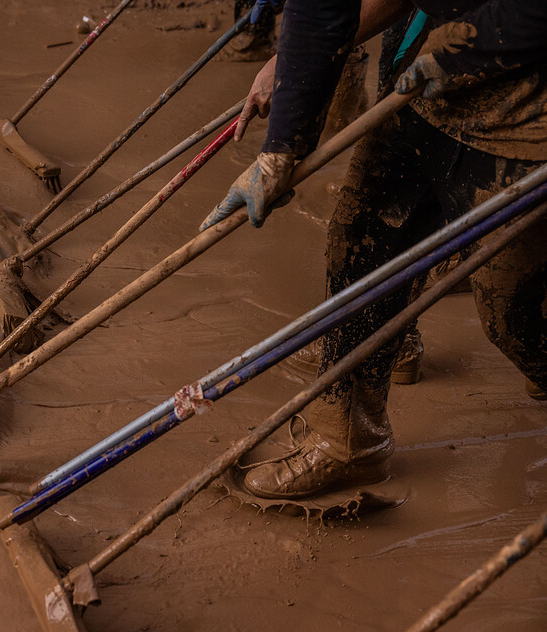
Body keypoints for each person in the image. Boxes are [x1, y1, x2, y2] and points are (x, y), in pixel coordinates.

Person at [203, 0, 547, 500]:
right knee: (361, 244)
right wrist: (281, 146)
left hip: (524, 113)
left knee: (513, 314)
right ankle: (347, 439)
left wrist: (469, 48)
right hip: (422, 80)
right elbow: (322, 9)